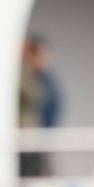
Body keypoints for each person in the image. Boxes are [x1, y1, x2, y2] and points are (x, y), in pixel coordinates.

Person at [18, 35, 61, 178]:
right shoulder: (26, 74)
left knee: (38, 175)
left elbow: (42, 99)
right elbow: (34, 96)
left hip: (39, 138)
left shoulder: (45, 79)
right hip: (27, 137)